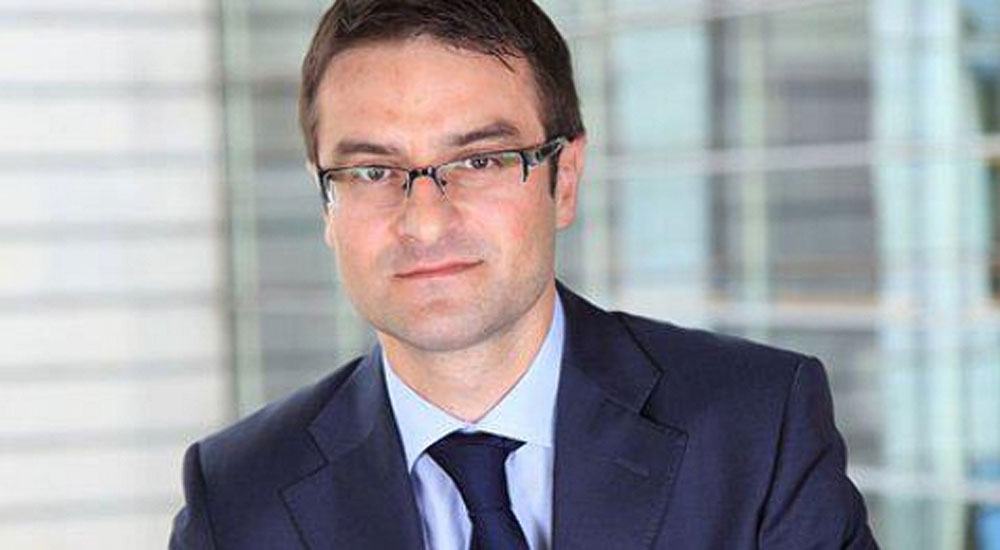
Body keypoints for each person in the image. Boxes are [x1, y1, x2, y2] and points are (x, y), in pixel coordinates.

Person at [170, 1, 879, 548]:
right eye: (373, 171)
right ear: (326, 202)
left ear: (563, 179)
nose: (424, 222)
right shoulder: (237, 498)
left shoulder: (755, 429)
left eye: (479, 161)